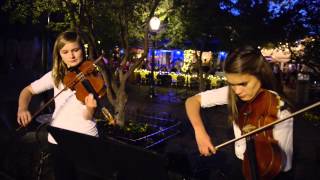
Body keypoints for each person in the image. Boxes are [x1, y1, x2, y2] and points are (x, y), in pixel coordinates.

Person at [185, 46, 293, 179]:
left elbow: (278, 163)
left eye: (243, 84)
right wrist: (199, 131)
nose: (237, 91)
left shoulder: (280, 109)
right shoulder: (234, 92)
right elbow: (192, 101)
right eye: (232, 84)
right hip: (240, 165)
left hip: (271, 172)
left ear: (259, 75)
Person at [17, 31, 100, 180]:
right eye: (65, 52)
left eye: (76, 50)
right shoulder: (55, 75)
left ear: (83, 49)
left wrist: (90, 109)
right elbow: (27, 91)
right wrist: (22, 109)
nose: (72, 56)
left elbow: (87, 117)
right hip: (58, 138)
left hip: (86, 138)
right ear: (59, 54)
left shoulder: (92, 74)